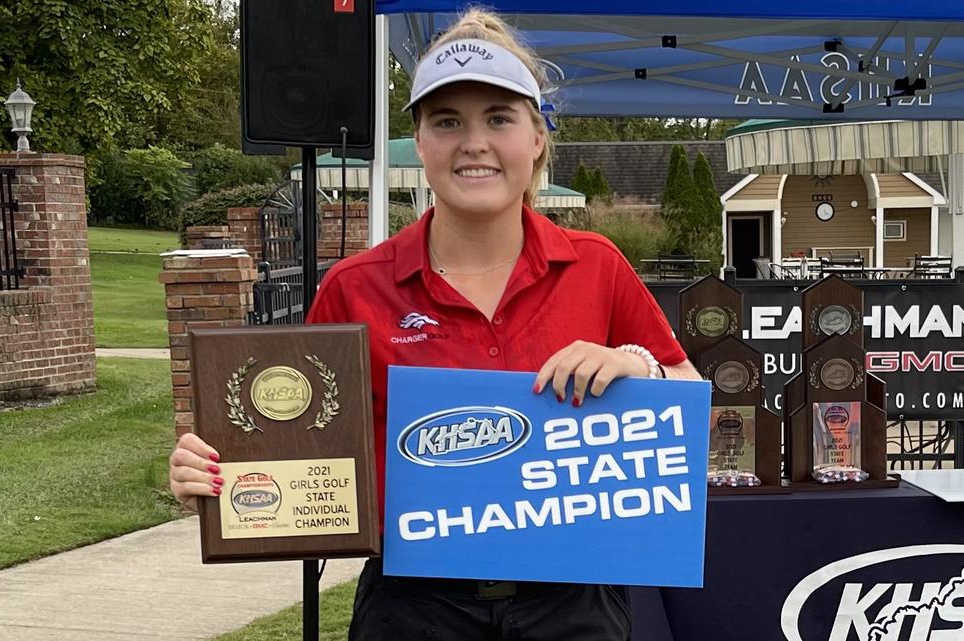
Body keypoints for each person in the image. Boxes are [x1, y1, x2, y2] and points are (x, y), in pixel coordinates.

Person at [169, 8, 702, 640]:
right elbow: (300, 442)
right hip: (414, 606)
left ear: (536, 139)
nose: (473, 142)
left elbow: (689, 398)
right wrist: (220, 473)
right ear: (420, 143)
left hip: (573, 602)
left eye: (498, 118)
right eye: (447, 121)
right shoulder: (354, 287)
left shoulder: (597, 267)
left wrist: (634, 364)